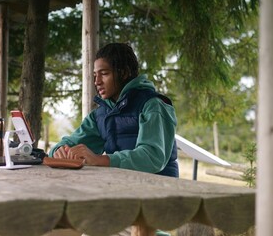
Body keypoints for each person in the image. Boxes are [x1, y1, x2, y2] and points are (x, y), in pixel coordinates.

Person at [49, 43, 179, 178]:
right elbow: (72, 143)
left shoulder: (154, 105)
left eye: (104, 74)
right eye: (95, 75)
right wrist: (59, 151)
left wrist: (100, 160)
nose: (97, 81)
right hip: (122, 186)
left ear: (124, 73)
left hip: (160, 189)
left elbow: (152, 157)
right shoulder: (99, 115)